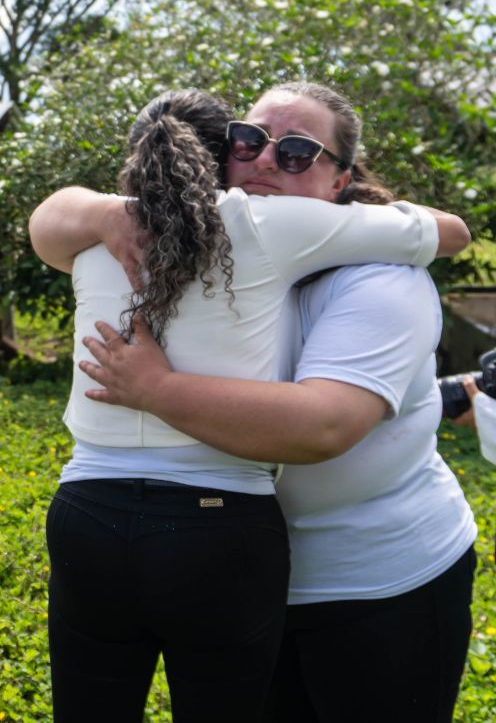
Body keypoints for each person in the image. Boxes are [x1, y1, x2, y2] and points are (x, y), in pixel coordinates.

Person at [26, 86, 471, 723]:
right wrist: (102, 213)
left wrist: (153, 389)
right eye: (250, 140)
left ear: (341, 180)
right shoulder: (186, 230)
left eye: (297, 152)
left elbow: (324, 425)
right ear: (217, 153)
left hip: (372, 581)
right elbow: (53, 220)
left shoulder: (380, 278)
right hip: (239, 563)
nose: (266, 160)